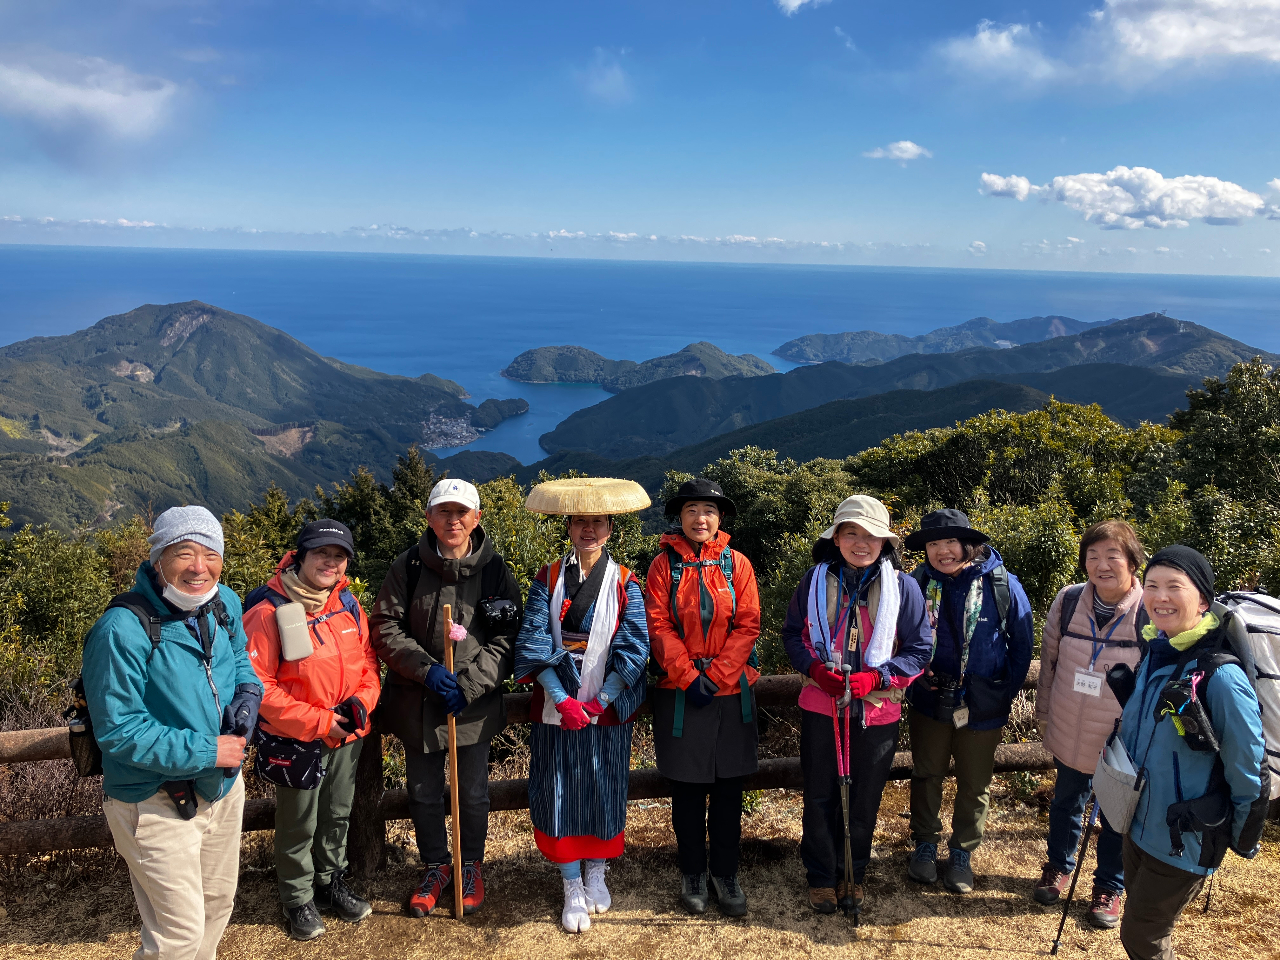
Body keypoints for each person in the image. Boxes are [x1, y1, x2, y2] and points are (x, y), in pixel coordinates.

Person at [82, 505, 262, 960]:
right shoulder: (122, 629)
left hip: (220, 790)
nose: (199, 567)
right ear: (158, 559)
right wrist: (209, 750)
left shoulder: (224, 604)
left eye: (210, 553)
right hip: (153, 799)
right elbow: (118, 730)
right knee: (177, 936)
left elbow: (241, 660)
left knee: (218, 905)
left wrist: (247, 696)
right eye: (184, 553)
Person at [370, 478, 523, 917]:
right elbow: (385, 626)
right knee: (423, 791)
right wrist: (428, 670)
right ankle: (437, 866)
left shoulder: (494, 570)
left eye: (461, 512)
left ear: (477, 518)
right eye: (444, 512)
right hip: (419, 701)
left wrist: (469, 684)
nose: (453, 520)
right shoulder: (409, 567)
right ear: (429, 518)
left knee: (473, 793)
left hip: (472, 703)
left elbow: (508, 636)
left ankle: (470, 865)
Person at [781, 495, 932, 914]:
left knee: (866, 796)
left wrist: (877, 677)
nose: (860, 543)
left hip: (877, 709)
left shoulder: (904, 588)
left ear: (885, 542)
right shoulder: (814, 580)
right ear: (837, 538)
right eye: (852, 533)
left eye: (871, 535)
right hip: (821, 704)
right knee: (820, 794)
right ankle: (821, 875)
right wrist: (814, 668)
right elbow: (793, 634)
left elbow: (920, 649)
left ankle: (853, 872)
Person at [513, 478, 651, 933]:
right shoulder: (548, 578)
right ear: (569, 526)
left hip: (604, 706)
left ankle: (597, 871)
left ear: (610, 528)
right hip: (558, 706)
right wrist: (561, 698)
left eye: (597, 521)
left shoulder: (626, 582)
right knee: (557, 790)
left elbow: (633, 647)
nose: (588, 529)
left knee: (604, 786)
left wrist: (600, 700)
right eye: (580, 521)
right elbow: (533, 641)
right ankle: (570, 881)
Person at [1117, 545, 1266, 960]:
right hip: (1140, 819)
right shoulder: (1157, 651)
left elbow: (1246, 764)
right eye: (1151, 586)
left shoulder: (1221, 676)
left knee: (1141, 935)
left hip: (1186, 831)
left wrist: (1235, 833)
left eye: (1173, 587)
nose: (1159, 596)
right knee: (1142, 922)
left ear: (1202, 598)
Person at [243, 519, 382, 941]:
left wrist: (362, 703)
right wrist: (322, 721)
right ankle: (297, 897)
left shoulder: (347, 604)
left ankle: (329, 881)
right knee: (298, 821)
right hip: (297, 736)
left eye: (339, 556)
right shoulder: (268, 610)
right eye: (322, 553)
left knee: (337, 813)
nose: (331, 562)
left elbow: (369, 664)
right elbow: (257, 686)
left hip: (347, 733)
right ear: (300, 555)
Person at [646, 477, 761, 918]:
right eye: (692, 509)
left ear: (721, 519)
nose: (701, 518)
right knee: (688, 789)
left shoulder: (739, 565)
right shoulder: (663, 566)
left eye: (709, 510)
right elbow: (659, 625)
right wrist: (688, 675)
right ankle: (693, 871)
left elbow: (748, 624)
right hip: (682, 692)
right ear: (680, 516)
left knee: (730, 786)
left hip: (730, 691)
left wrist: (715, 673)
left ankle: (725, 872)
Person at [903, 508, 1034, 894]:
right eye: (933, 544)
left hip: (982, 699)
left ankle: (962, 852)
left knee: (975, 782)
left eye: (949, 542)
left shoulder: (1002, 585)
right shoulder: (918, 582)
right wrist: (913, 679)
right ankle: (925, 844)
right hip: (929, 694)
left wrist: (999, 694)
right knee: (927, 772)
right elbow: (897, 635)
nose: (942, 551)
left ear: (968, 545)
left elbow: (1022, 647)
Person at [1033, 520, 1147, 929]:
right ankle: (1058, 867)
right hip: (1070, 725)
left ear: (1133, 562)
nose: (1101, 565)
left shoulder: (1148, 610)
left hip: (1122, 736)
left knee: (1115, 814)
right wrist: (1043, 713)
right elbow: (1048, 663)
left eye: (1112, 556)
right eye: (1093, 556)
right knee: (1066, 802)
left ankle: (1109, 886)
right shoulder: (1068, 601)